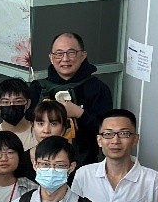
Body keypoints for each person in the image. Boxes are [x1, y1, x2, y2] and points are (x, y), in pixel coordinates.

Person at [30, 32, 114, 165]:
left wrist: (79, 114)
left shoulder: (98, 89)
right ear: (51, 58)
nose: (65, 59)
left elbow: (106, 131)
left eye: (71, 53)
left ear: (83, 55)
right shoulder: (38, 88)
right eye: (59, 53)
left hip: (85, 163)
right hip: (43, 163)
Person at [30, 99, 70, 167]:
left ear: (63, 128)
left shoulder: (75, 159)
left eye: (53, 124)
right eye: (40, 123)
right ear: (33, 125)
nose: (46, 130)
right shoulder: (21, 160)